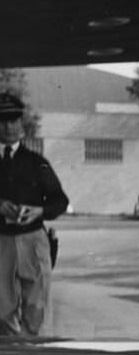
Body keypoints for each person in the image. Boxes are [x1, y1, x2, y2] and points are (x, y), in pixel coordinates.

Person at [0, 91, 69, 336]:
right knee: (2, 312)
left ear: (21, 124)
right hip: (1, 242)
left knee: (35, 311)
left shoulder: (36, 162)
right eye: (3, 121)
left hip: (32, 240)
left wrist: (40, 210)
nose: (9, 127)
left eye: (14, 120)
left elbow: (60, 201)